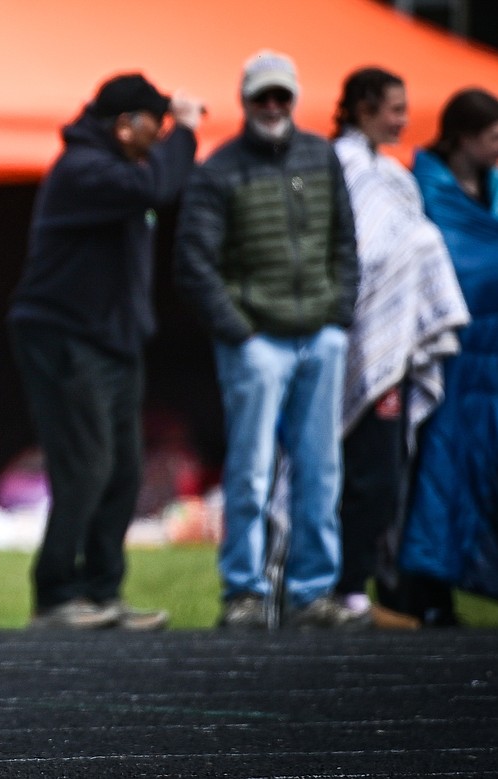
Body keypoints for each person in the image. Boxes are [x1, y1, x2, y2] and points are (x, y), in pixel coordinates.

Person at [174, 50, 365, 630]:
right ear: (246, 100)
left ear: (295, 99)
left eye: (282, 96)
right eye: (264, 97)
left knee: (320, 469)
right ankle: (244, 592)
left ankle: (311, 593)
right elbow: (194, 262)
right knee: (251, 470)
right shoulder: (219, 168)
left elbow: (346, 246)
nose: (274, 106)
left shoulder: (321, 155)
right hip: (257, 342)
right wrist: (241, 332)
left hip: (318, 336)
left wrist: (336, 317)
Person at [7, 73, 204, 630]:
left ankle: (100, 591)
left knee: (122, 470)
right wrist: (186, 131)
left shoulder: (117, 170)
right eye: (155, 126)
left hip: (112, 343)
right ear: (124, 124)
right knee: (84, 467)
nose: (160, 135)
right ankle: (54, 595)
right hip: (65, 338)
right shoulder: (84, 170)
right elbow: (157, 189)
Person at [328, 68, 469, 622]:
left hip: (392, 347)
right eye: (394, 108)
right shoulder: (339, 166)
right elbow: (367, 254)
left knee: (383, 474)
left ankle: (359, 586)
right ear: (364, 108)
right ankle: (341, 587)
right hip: (353, 340)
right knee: (361, 473)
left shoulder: (390, 173)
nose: (404, 120)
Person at [400, 87, 498, 621]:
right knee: (439, 471)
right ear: (463, 137)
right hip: (446, 355)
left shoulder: (495, 189)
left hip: (493, 357)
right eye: (492, 136)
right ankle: (426, 591)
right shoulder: (423, 192)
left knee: (485, 473)